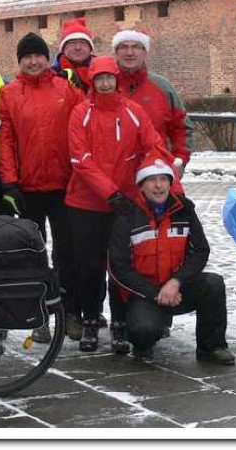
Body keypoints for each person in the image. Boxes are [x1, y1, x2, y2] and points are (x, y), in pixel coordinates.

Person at [65, 55, 175, 353]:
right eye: (98, 78)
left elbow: (153, 146)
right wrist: (110, 192)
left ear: (117, 80)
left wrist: (161, 179)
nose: (104, 83)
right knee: (88, 265)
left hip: (125, 202)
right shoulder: (81, 113)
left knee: (121, 265)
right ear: (92, 81)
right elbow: (80, 158)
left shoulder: (134, 112)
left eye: (109, 78)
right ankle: (90, 318)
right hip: (86, 202)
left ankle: (120, 321)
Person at [0, 32, 85, 342]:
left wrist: (81, 173)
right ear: (19, 62)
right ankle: (39, 317)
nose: (33, 61)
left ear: (48, 59)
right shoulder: (9, 94)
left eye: (38, 56)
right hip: (29, 188)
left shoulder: (67, 90)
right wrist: (9, 181)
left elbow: (81, 130)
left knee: (67, 252)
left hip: (64, 186)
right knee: (33, 255)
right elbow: (6, 140)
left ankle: (71, 312)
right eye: (27, 57)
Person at [108, 159, 234, 364]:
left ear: (170, 183)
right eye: (151, 180)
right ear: (141, 186)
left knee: (213, 284)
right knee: (143, 331)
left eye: (163, 180)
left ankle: (213, 346)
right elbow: (117, 268)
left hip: (177, 287)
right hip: (144, 294)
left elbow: (201, 251)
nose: (158, 186)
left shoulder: (183, 210)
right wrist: (156, 293)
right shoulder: (127, 216)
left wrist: (176, 282)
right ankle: (143, 344)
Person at [112, 28, 193, 178]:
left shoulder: (162, 86)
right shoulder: (103, 86)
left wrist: (179, 160)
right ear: (116, 52)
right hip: (113, 175)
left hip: (155, 172)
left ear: (145, 52)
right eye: (123, 47)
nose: (130, 52)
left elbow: (181, 128)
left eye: (136, 47)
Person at [51, 15, 96, 93]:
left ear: (90, 48)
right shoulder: (52, 75)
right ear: (63, 48)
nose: (78, 47)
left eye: (83, 43)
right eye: (72, 43)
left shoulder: (102, 73)